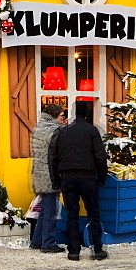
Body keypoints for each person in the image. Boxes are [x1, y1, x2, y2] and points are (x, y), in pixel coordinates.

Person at [49, 100, 109, 261]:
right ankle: (97, 249)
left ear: (73, 113)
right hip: (89, 177)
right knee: (94, 215)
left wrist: (56, 180)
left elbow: (52, 158)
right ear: (87, 114)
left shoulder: (62, 132)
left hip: (67, 178)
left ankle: (73, 251)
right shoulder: (91, 131)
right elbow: (100, 157)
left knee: (72, 215)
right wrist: (102, 177)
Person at [30, 103, 66, 253]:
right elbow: (59, 149)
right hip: (50, 173)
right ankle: (48, 243)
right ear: (54, 116)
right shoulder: (52, 130)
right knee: (50, 210)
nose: (64, 118)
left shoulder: (39, 127)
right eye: (62, 116)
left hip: (40, 172)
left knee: (45, 209)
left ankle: (37, 241)